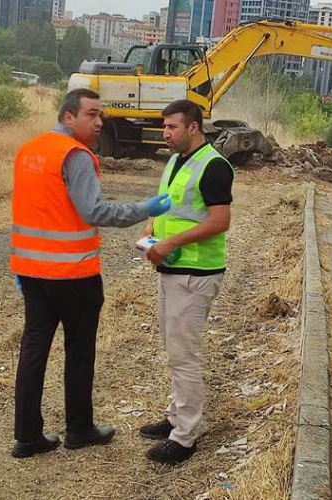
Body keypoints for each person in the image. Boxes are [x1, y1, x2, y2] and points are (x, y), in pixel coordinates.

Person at [9, 88, 171, 459]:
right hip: (73, 274)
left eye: (101, 115)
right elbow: (93, 211)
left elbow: (30, 208)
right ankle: (79, 429)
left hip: (32, 271)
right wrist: (143, 207)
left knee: (34, 349)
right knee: (79, 351)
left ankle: (28, 436)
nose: (99, 122)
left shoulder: (30, 149)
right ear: (69, 117)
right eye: (92, 115)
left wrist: (22, 265)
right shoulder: (76, 156)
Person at [138, 99, 234, 464]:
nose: (165, 133)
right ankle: (177, 416)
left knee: (184, 356)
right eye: (164, 127)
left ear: (193, 127)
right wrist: (152, 227)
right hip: (174, 269)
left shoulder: (213, 166)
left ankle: (186, 436)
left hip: (195, 273)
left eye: (171, 127)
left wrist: (171, 242)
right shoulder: (179, 160)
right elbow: (173, 207)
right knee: (174, 349)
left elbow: (219, 221)